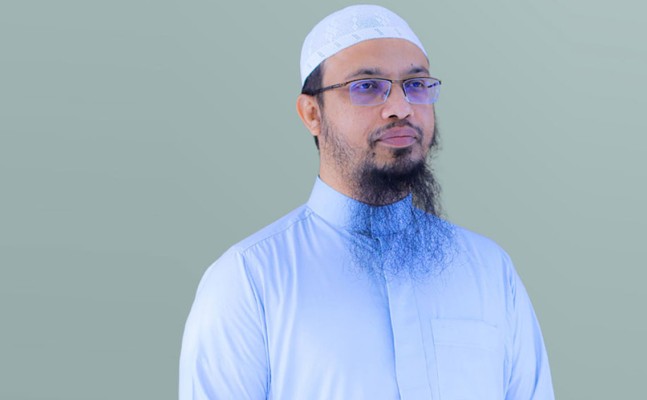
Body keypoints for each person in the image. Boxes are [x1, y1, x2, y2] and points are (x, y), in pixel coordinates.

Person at [179, 4, 554, 399]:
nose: (401, 108)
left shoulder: (489, 271)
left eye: (416, 84)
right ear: (311, 113)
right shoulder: (249, 280)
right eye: (367, 86)